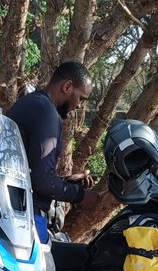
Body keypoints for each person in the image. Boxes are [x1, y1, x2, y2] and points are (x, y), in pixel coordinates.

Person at [6, 61, 101, 236]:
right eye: (81, 98)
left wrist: (66, 181)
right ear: (67, 86)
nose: (79, 106)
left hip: (12, 210)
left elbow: (29, 171)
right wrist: (81, 195)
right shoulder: (46, 112)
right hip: (25, 218)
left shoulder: (32, 103)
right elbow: (43, 181)